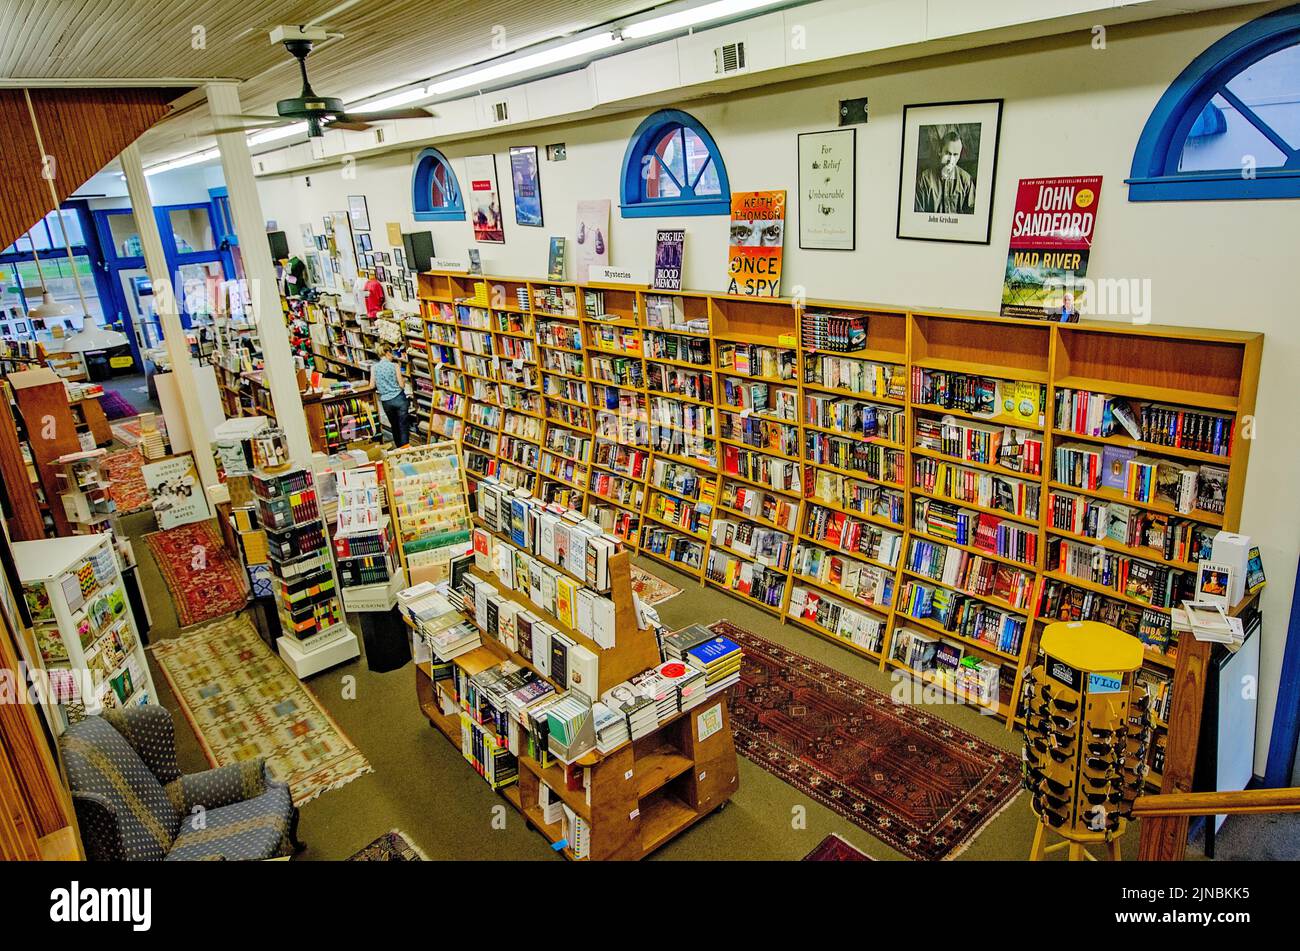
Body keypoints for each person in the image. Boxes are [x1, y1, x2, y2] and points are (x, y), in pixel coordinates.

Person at [915, 130, 977, 215]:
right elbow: (918, 215)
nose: (951, 160)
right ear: (940, 151)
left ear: (959, 156)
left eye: (955, 155)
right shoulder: (924, 179)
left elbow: (971, 215)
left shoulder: (966, 180)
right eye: (948, 153)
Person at [371, 344, 410, 448]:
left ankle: (398, 449)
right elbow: (401, 385)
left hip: (386, 401)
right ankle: (405, 450)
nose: (392, 356)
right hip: (399, 398)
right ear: (387, 353)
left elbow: (371, 385)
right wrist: (404, 382)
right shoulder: (395, 366)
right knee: (403, 426)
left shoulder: (374, 368)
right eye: (391, 353)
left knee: (395, 426)